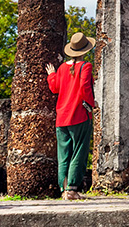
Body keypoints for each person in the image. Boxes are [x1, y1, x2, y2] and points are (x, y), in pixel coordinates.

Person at [46, 32, 97, 200]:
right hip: (79, 115)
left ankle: (64, 189)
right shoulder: (85, 66)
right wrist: (92, 105)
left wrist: (51, 75)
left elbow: (54, 88)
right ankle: (73, 189)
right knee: (78, 152)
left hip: (62, 117)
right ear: (85, 50)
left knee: (64, 154)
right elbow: (84, 88)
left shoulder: (61, 68)